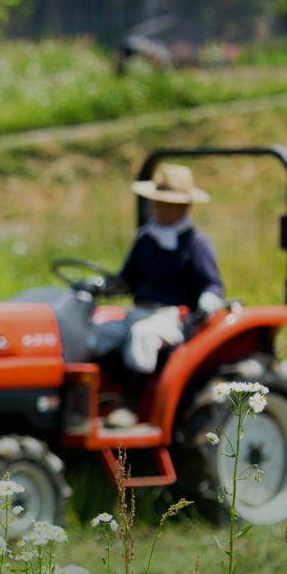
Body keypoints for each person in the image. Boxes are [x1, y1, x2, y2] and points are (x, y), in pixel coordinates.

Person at [93, 162, 225, 428]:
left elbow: (212, 284)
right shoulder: (145, 238)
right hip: (139, 310)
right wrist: (103, 286)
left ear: (184, 207)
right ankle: (94, 399)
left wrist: (209, 298)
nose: (159, 209)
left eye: (167, 204)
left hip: (172, 317)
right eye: (156, 203)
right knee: (95, 332)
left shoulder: (196, 244)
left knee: (143, 334)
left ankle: (129, 408)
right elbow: (127, 279)